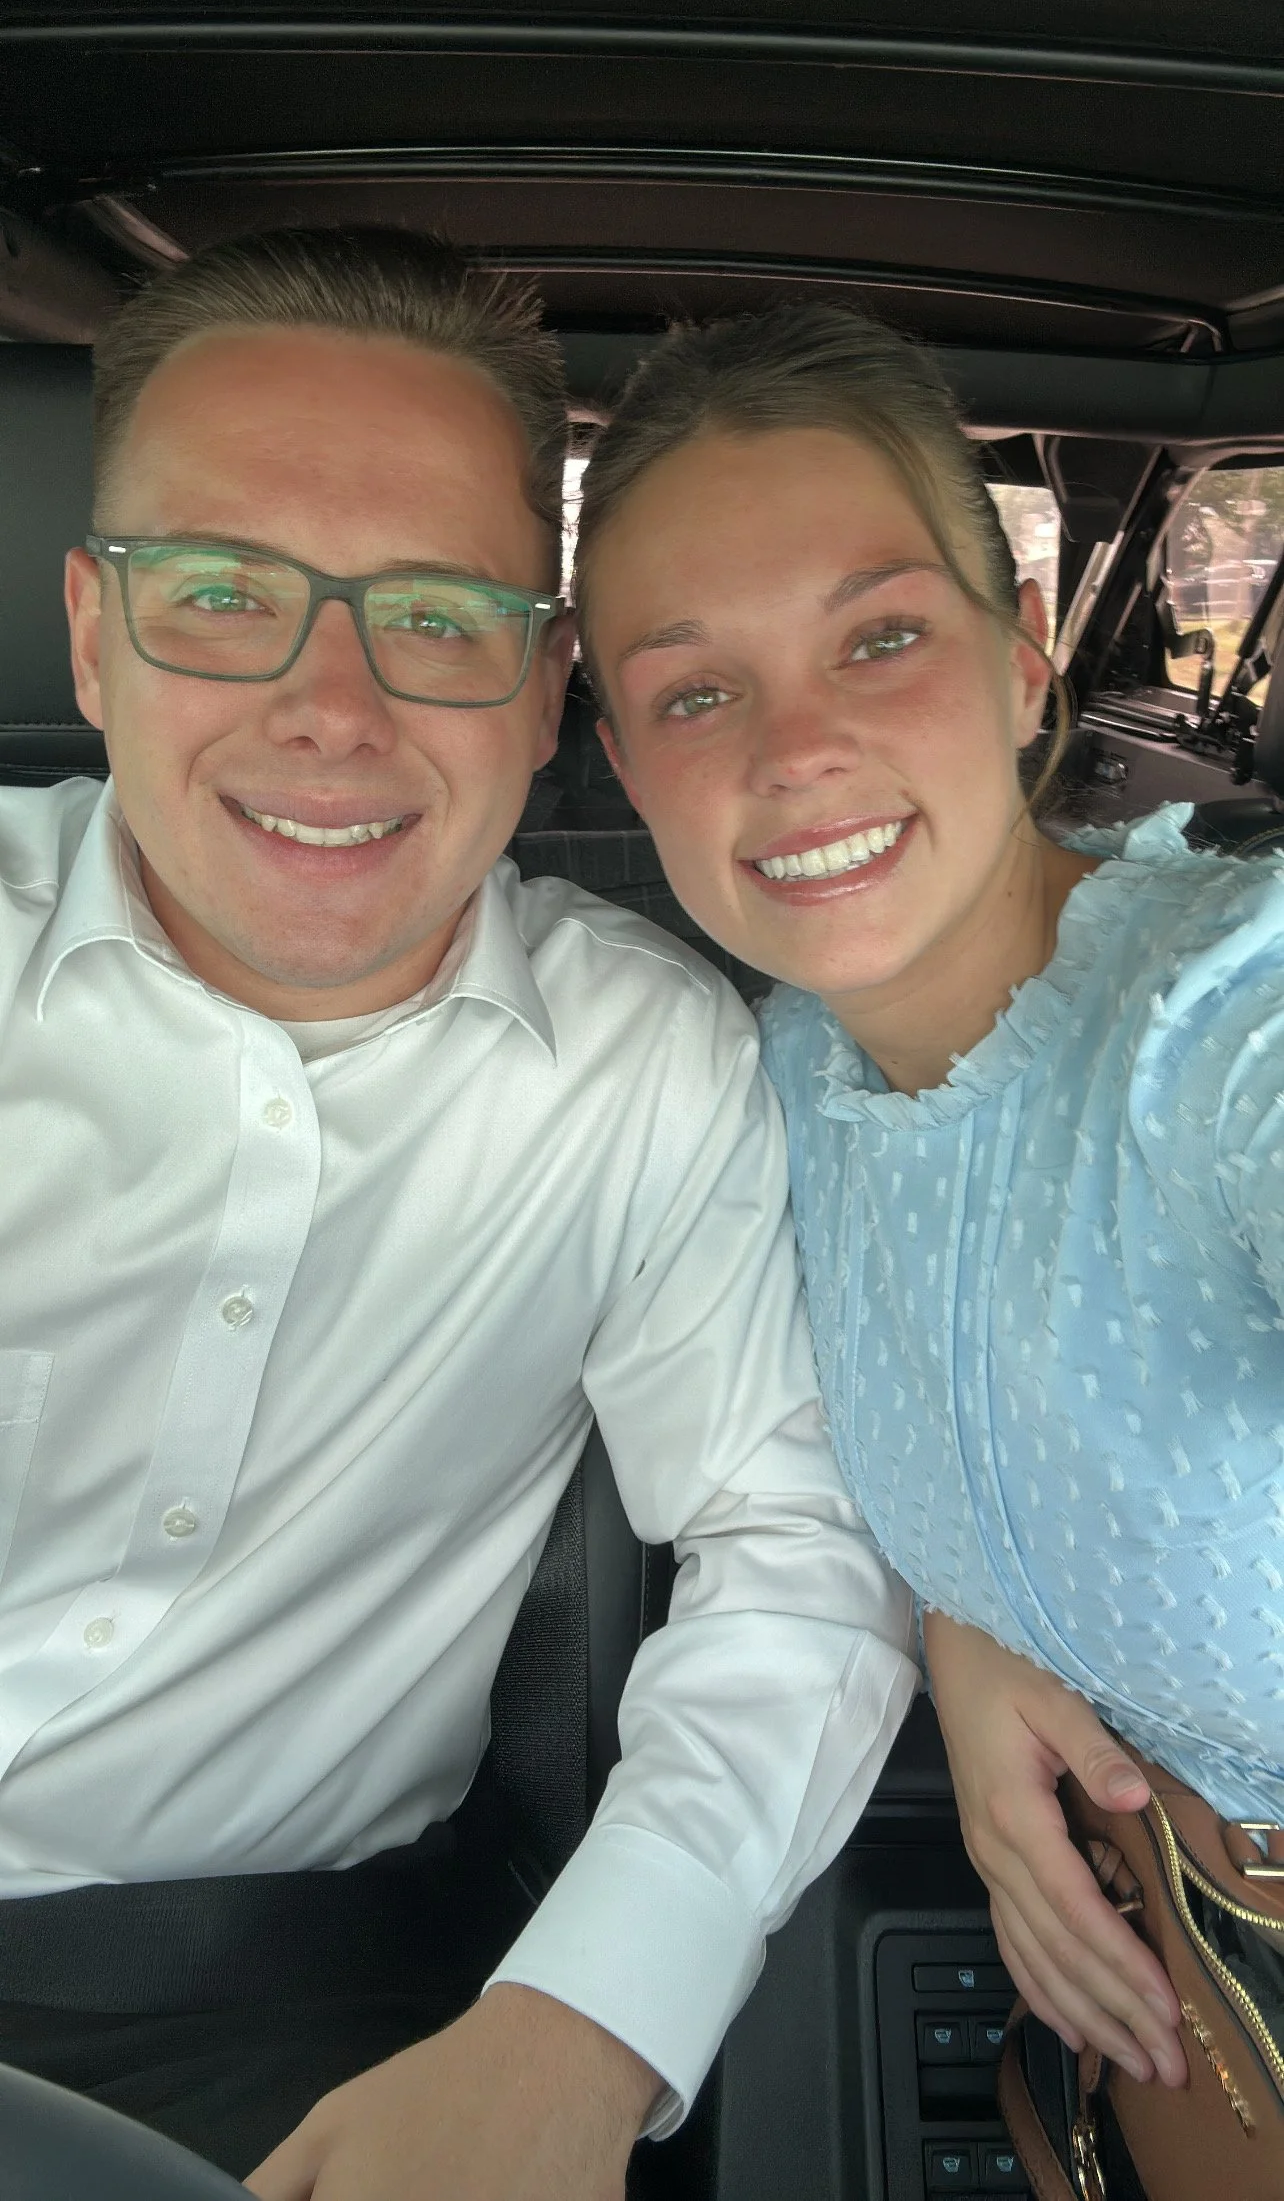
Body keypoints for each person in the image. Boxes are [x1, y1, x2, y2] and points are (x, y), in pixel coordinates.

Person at [0, 234, 922, 2197]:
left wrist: (583, 2029)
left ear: (542, 685)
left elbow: (797, 1546)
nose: (329, 706)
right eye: (222, 593)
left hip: (267, 2003)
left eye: (432, 615)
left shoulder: (654, 1070)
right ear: (93, 635)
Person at [571, 300, 1284, 2098]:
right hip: (1175, 2012)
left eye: (878, 637)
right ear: (621, 754)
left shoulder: (1223, 1021)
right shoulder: (774, 1087)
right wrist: (963, 1634)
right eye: (695, 688)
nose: (792, 746)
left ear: (1028, 655)